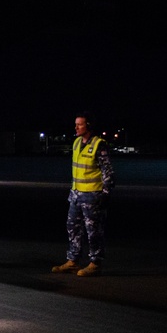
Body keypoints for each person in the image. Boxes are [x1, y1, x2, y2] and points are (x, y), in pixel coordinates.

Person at [52, 111, 115, 277]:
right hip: (76, 195)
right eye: (76, 124)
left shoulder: (99, 144)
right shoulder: (76, 142)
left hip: (92, 196)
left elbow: (108, 173)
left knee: (93, 231)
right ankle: (73, 260)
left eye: (79, 124)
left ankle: (95, 263)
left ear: (89, 126)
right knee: (73, 228)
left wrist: (105, 195)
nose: (76, 127)